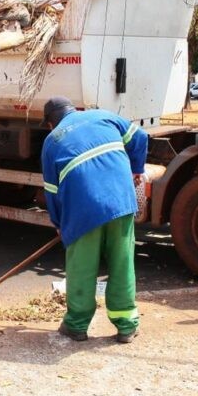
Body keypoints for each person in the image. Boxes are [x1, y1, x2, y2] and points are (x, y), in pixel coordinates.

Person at [40, 96, 148, 344]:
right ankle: (127, 326)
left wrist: (59, 224)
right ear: (75, 110)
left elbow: (52, 191)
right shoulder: (102, 115)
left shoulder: (52, 141)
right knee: (122, 263)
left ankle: (77, 326)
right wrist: (136, 169)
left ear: (50, 123)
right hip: (121, 200)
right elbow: (140, 137)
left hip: (82, 209)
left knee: (82, 267)